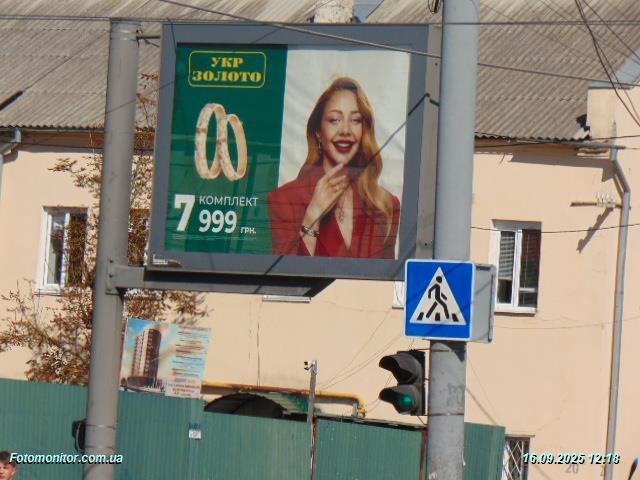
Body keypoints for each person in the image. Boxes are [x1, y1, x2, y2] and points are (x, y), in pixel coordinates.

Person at [268, 77, 400, 258]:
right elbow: (285, 273)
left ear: (364, 131)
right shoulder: (284, 199)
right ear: (318, 132)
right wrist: (312, 216)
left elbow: (388, 275)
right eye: (335, 120)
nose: (345, 130)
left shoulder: (385, 205)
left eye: (355, 120)